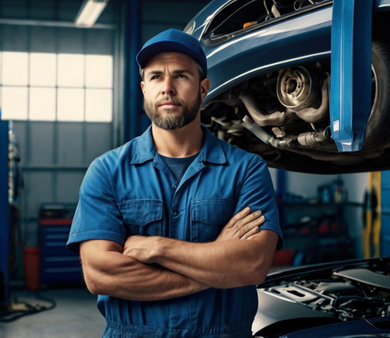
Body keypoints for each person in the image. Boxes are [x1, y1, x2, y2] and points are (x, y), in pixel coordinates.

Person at [67, 28, 282, 338]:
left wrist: (157, 247)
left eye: (181, 76)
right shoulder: (107, 171)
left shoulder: (246, 169)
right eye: (155, 77)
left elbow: (251, 266)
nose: (167, 87)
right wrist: (218, 264)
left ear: (204, 88)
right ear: (143, 88)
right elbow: (100, 274)